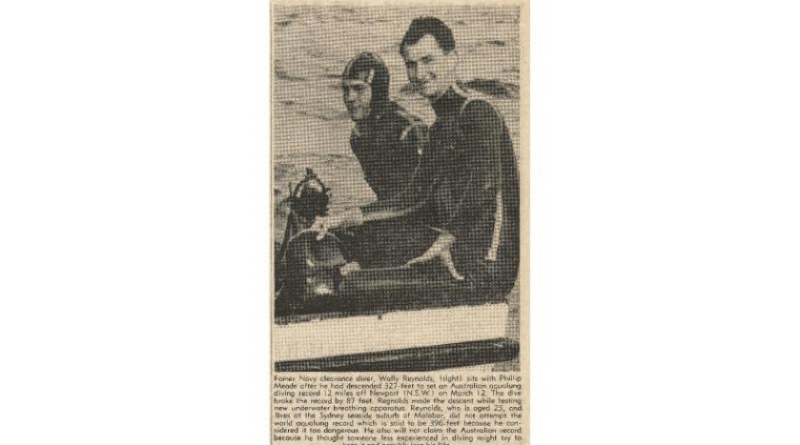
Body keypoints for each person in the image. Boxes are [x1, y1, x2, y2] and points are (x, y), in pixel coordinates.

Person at [314, 17, 519, 296]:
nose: (419, 73)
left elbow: (483, 187)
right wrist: (343, 218)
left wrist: (445, 241)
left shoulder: (478, 111)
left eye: (428, 60)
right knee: (351, 238)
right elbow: (411, 199)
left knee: (349, 285)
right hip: (460, 248)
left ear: (452, 58)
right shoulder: (439, 129)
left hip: (488, 265)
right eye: (411, 64)